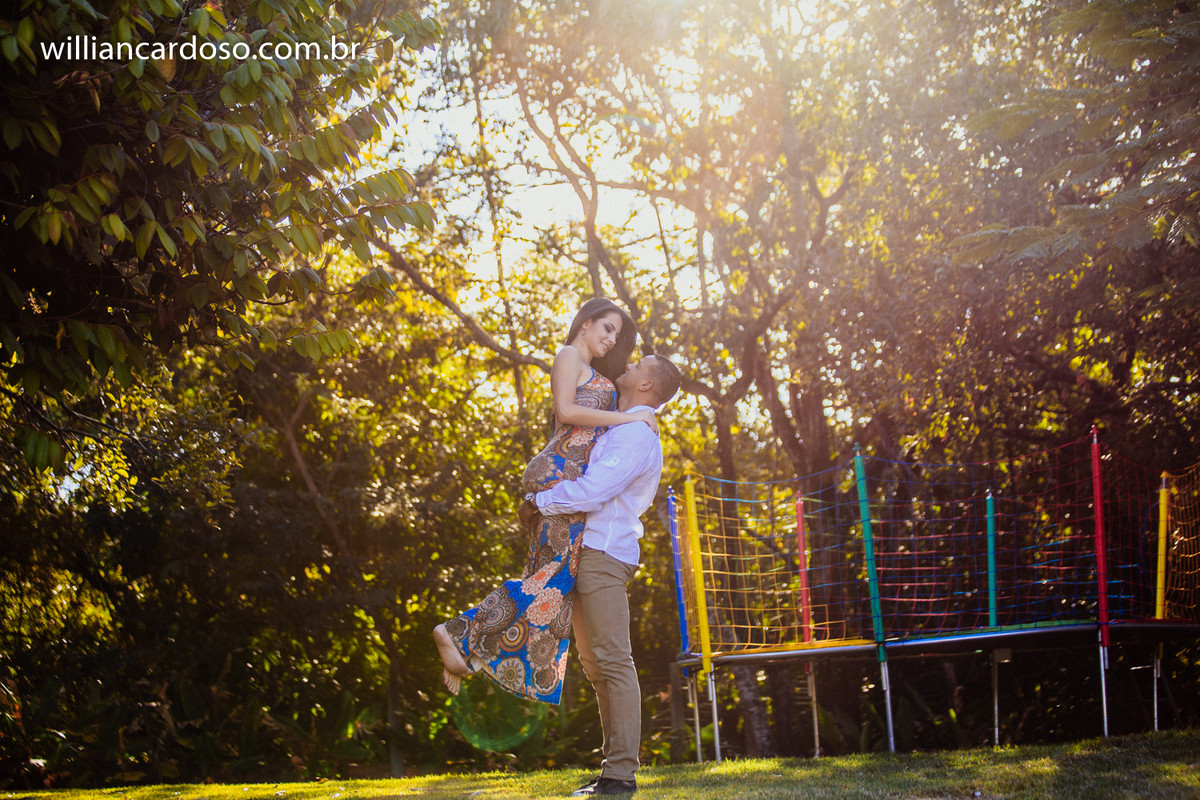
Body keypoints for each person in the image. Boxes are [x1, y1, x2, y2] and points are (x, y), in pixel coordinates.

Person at [433, 298, 654, 703]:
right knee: (554, 577)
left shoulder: (593, 369)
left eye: (617, 335)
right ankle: (456, 633)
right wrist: (628, 418)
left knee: (552, 582)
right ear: (585, 323)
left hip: (565, 476)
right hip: (560, 471)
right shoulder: (569, 354)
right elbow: (566, 410)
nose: (611, 339)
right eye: (607, 328)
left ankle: (476, 650)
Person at [518, 353, 682, 797]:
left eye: (638, 365)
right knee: (595, 666)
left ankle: (621, 777)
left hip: (605, 552)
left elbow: (595, 490)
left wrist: (540, 502)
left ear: (647, 386)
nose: (627, 366)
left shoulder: (635, 432)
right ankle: (612, 771)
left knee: (613, 661)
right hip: (585, 552)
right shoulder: (619, 425)